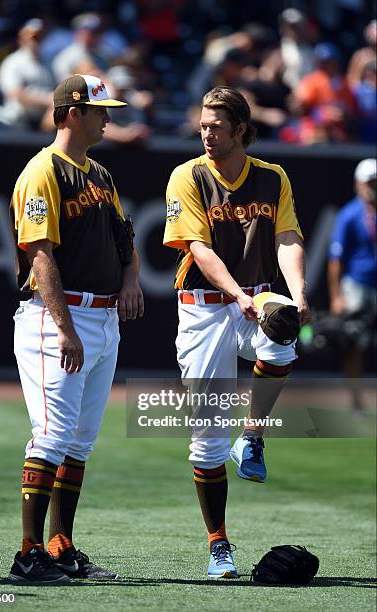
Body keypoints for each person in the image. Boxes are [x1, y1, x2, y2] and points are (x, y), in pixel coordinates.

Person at [163, 86, 309, 578]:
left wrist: (299, 293)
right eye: (202, 125)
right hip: (204, 306)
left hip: (259, 294)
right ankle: (218, 544)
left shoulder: (272, 177)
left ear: (241, 131)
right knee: (205, 440)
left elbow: (287, 236)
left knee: (286, 324)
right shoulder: (187, 176)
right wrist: (236, 294)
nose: (206, 133)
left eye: (216, 127)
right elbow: (198, 249)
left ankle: (252, 435)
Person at [8, 73, 144, 583]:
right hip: (56, 316)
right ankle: (28, 555)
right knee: (52, 434)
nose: (108, 117)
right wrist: (65, 327)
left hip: (103, 315)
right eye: (100, 109)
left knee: (80, 441)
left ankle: (62, 546)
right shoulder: (42, 172)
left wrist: (130, 277)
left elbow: (124, 235)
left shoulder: (100, 176)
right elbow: (39, 255)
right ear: (72, 113)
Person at [328, 158, 377, 412]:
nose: (372, 187)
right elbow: (335, 259)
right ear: (359, 184)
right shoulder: (350, 214)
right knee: (354, 343)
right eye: (369, 182)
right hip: (357, 285)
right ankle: (356, 400)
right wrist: (336, 296)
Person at [0, 18, 54, 129]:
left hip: (42, 123)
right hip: (17, 123)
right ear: (22, 38)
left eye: (40, 37)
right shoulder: (13, 62)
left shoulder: (48, 62)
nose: (36, 41)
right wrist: (48, 100)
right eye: (33, 37)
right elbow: (15, 94)